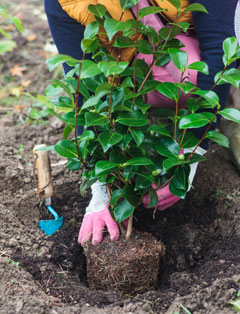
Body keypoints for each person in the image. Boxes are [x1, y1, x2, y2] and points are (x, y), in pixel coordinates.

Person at [44, 0, 240, 245]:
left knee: (196, 70)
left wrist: (192, 149)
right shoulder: (66, 2)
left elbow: (221, 49)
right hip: (138, 71)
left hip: (207, 48)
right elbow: (84, 89)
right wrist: (100, 192)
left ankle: (225, 104)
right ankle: (152, 126)